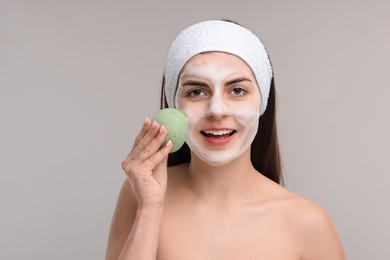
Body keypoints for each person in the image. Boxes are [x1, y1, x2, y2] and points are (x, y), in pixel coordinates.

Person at [105, 20, 345, 260]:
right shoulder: (140, 195)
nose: (217, 110)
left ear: (262, 103)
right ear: (174, 105)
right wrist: (150, 210)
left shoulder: (308, 223)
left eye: (237, 90)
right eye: (196, 92)